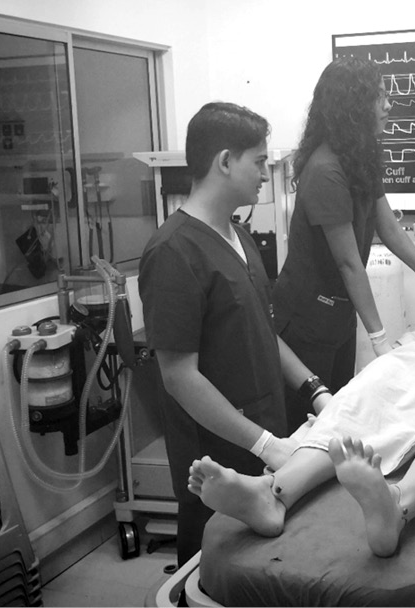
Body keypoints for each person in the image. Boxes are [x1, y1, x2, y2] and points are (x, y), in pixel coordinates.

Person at [187, 295, 415, 558]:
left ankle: (398, 506)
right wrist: (384, 365)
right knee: (355, 399)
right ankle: (275, 494)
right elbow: (402, 344)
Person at [138, 102, 330, 565]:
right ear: (225, 161)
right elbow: (179, 377)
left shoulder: (241, 238)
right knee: (212, 573)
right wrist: (262, 443)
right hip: (216, 457)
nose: (266, 174)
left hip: (267, 436)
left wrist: (315, 389)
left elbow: (264, 331)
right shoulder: (173, 252)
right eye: (260, 162)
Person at [272, 56, 415, 430]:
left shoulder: (362, 154)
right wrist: (380, 339)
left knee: (340, 415)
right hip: (305, 322)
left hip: (336, 315)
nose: (389, 105)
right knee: (309, 425)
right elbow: (349, 263)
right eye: (380, 97)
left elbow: (387, 226)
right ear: (354, 105)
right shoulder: (325, 170)